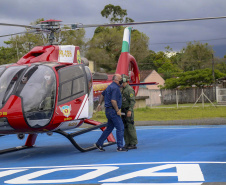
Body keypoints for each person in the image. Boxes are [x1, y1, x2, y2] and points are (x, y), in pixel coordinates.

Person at [95, 73, 128, 152]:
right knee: (120, 128)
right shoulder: (115, 88)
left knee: (109, 128)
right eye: (120, 79)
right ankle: (120, 146)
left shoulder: (109, 86)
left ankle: (99, 143)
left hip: (108, 110)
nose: (121, 81)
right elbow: (113, 100)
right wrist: (117, 110)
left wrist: (99, 104)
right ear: (116, 80)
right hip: (113, 111)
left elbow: (102, 95)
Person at [121, 74, 138, 149]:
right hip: (123, 110)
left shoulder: (129, 89)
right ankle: (127, 142)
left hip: (128, 110)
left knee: (130, 126)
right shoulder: (123, 89)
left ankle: (133, 143)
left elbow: (132, 101)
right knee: (125, 126)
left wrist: (130, 110)